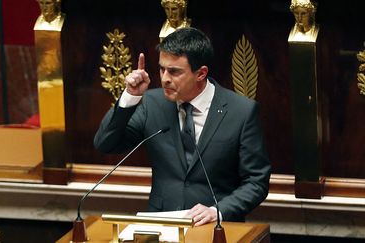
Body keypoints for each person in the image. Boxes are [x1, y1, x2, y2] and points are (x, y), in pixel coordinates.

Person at [94, 27, 271, 225]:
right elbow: (105, 143)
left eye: (174, 72)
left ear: (201, 73)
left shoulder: (241, 112)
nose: (164, 78)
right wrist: (130, 97)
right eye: (162, 69)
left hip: (216, 227)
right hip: (161, 225)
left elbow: (256, 181)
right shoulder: (151, 103)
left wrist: (218, 211)